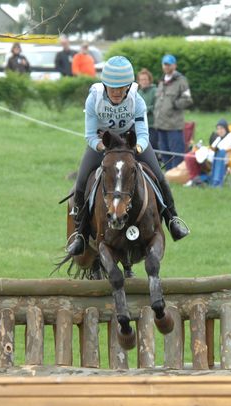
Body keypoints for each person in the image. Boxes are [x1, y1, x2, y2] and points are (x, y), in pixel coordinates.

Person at [66, 56, 190, 256]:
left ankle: (173, 220)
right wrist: (105, 149)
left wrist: (135, 150)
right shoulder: (94, 99)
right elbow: (89, 135)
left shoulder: (136, 100)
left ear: (128, 86)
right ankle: (80, 235)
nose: (116, 92)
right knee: (80, 184)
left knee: (159, 177)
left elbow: (143, 134)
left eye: (121, 87)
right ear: (105, 85)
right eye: (112, 87)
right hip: (102, 142)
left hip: (131, 142)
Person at [154, 54, 193, 170]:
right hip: (160, 124)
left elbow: (188, 99)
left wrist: (174, 104)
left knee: (176, 152)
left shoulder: (181, 81)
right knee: (164, 152)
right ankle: (169, 174)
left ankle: (177, 173)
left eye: (169, 64)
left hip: (174, 125)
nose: (166, 67)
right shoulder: (161, 81)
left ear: (174, 65)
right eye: (164, 64)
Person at [185, 119, 231, 187]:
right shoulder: (219, 138)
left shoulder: (230, 137)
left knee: (192, 157)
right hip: (210, 157)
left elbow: (220, 150)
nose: (219, 131)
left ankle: (196, 179)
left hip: (219, 160)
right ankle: (195, 178)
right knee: (190, 156)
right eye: (218, 129)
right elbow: (212, 147)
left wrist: (208, 150)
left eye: (221, 128)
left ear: (226, 128)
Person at [137, 68, 158, 152]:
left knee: (152, 147)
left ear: (149, 80)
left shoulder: (155, 91)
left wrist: (144, 110)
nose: (143, 81)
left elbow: (156, 106)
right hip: (140, 125)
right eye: (141, 79)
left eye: (145, 79)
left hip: (152, 125)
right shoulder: (138, 93)